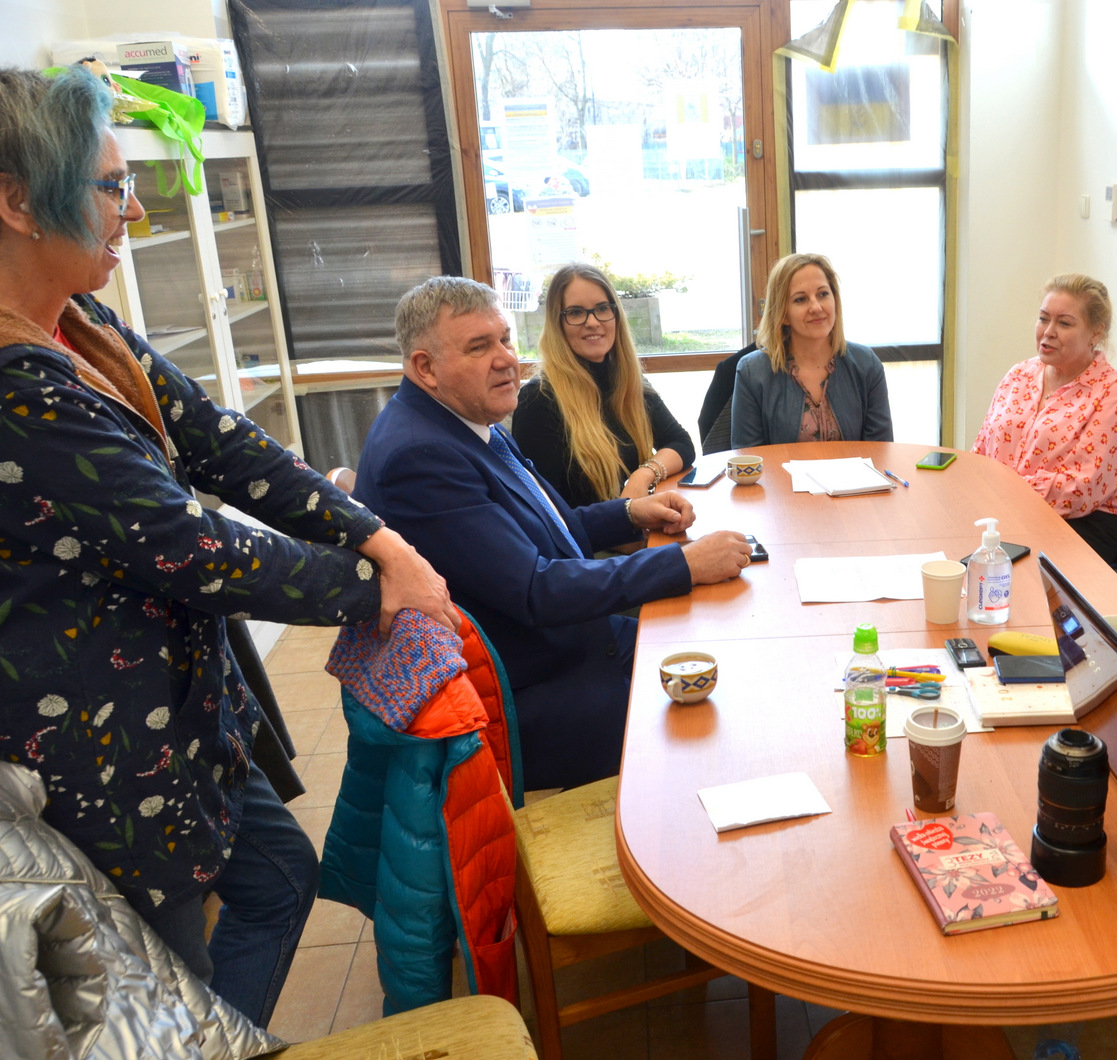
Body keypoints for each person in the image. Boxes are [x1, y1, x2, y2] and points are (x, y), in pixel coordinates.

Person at [0, 65, 453, 1027]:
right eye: (110, 187)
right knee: (162, 984)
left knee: (279, 878)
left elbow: (217, 438)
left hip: (181, 725)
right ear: (18, 204)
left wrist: (376, 537)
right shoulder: (15, 392)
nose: (131, 211)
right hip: (102, 758)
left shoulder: (80, 323)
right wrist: (375, 590)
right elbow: (192, 546)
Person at [354, 276, 753, 790]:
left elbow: (556, 528)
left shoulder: (469, 420)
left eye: (504, 339)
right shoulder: (420, 456)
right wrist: (683, 564)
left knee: (725, 643)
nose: (506, 360)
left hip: (573, 647)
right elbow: (536, 589)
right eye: (480, 347)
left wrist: (631, 512)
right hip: (535, 695)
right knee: (720, 720)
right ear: (425, 368)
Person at [971, 273, 1117, 564]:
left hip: (1077, 529)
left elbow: (1084, 489)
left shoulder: (1113, 393)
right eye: (1043, 319)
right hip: (1003, 516)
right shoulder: (1019, 375)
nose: (1048, 331)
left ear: (1096, 332)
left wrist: (1005, 495)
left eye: (1064, 323)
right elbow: (982, 449)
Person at [511, 263, 696, 508]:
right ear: (558, 323)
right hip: (597, 544)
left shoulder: (629, 380)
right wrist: (628, 514)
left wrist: (644, 474)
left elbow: (681, 443)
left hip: (640, 529)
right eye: (576, 313)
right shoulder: (537, 400)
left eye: (602, 308)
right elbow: (553, 517)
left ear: (615, 315)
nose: (593, 322)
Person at [730, 252, 893, 447]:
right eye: (800, 299)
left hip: (858, 478)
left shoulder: (866, 364)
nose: (816, 307)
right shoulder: (753, 372)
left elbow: (881, 451)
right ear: (783, 314)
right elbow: (749, 460)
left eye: (823, 294)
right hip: (780, 478)